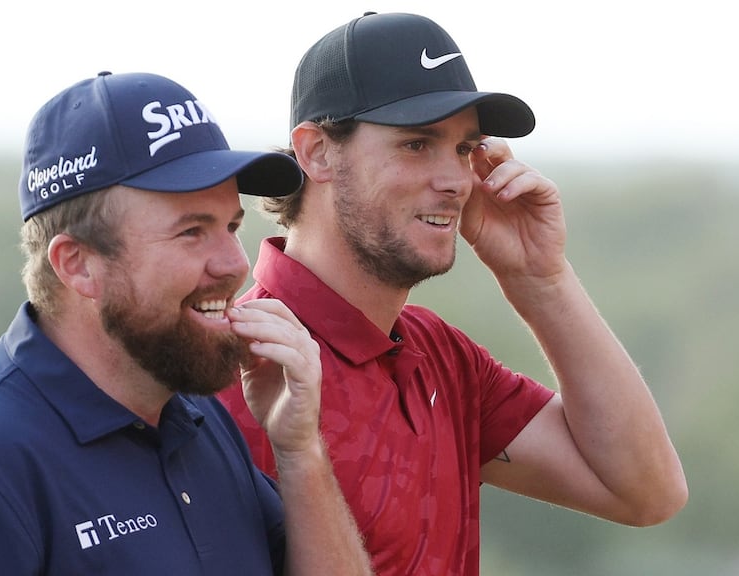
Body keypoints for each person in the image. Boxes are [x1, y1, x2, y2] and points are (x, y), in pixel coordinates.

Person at [0, 71, 374, 576]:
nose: (235, 263)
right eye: (192, 231)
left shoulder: (196, 420)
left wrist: (300, 450)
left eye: (231, 225)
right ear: (78, 264)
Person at [217, 11, 689, 576]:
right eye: (417, 145)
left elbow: (646, 491)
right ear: (316, 152)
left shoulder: (442, 357)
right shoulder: (236, 373)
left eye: (465, 149)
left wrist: (540, 278)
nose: (456, 181)